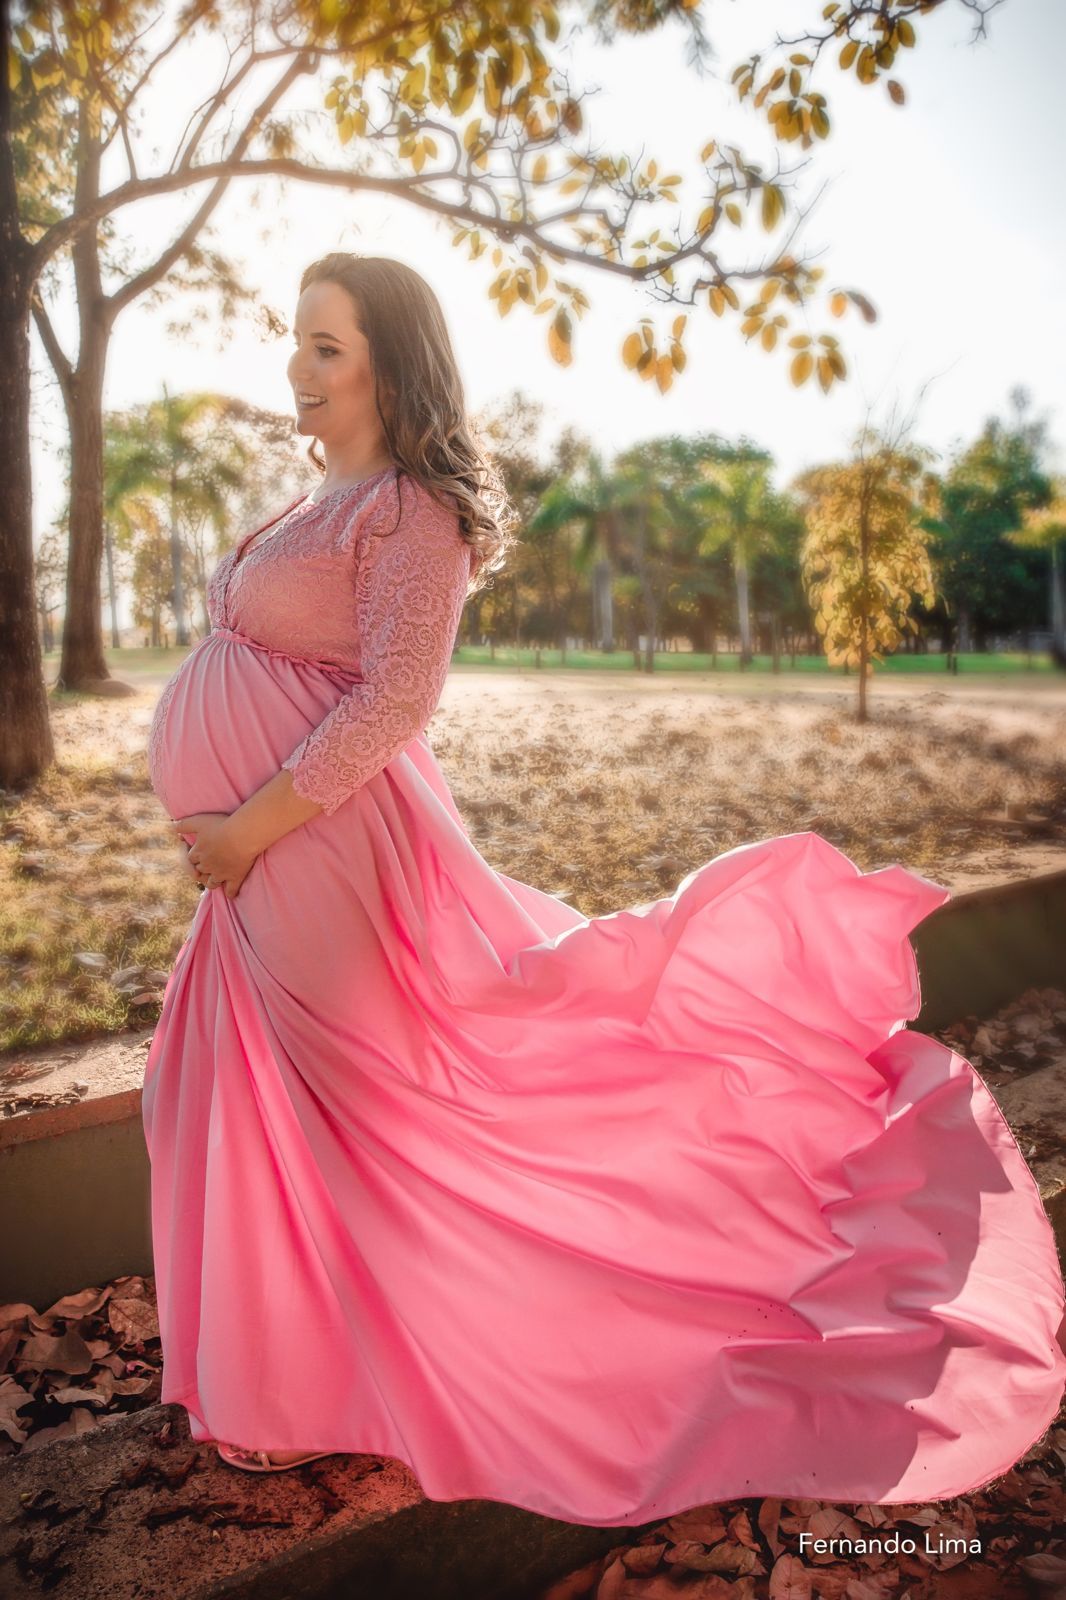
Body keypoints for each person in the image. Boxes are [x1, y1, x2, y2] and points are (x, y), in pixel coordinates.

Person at [142, 252, 1066, 1519]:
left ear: (390, 364)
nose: (294, 369)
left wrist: (248, 825)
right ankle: (292, 1373)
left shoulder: (411, 509)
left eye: (324, 348)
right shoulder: (322, 497)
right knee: (225, 1094)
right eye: (295, 341)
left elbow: (399, 698)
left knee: (344, 1107)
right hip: (270, 854)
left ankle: (380, 1376)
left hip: (320, 845)